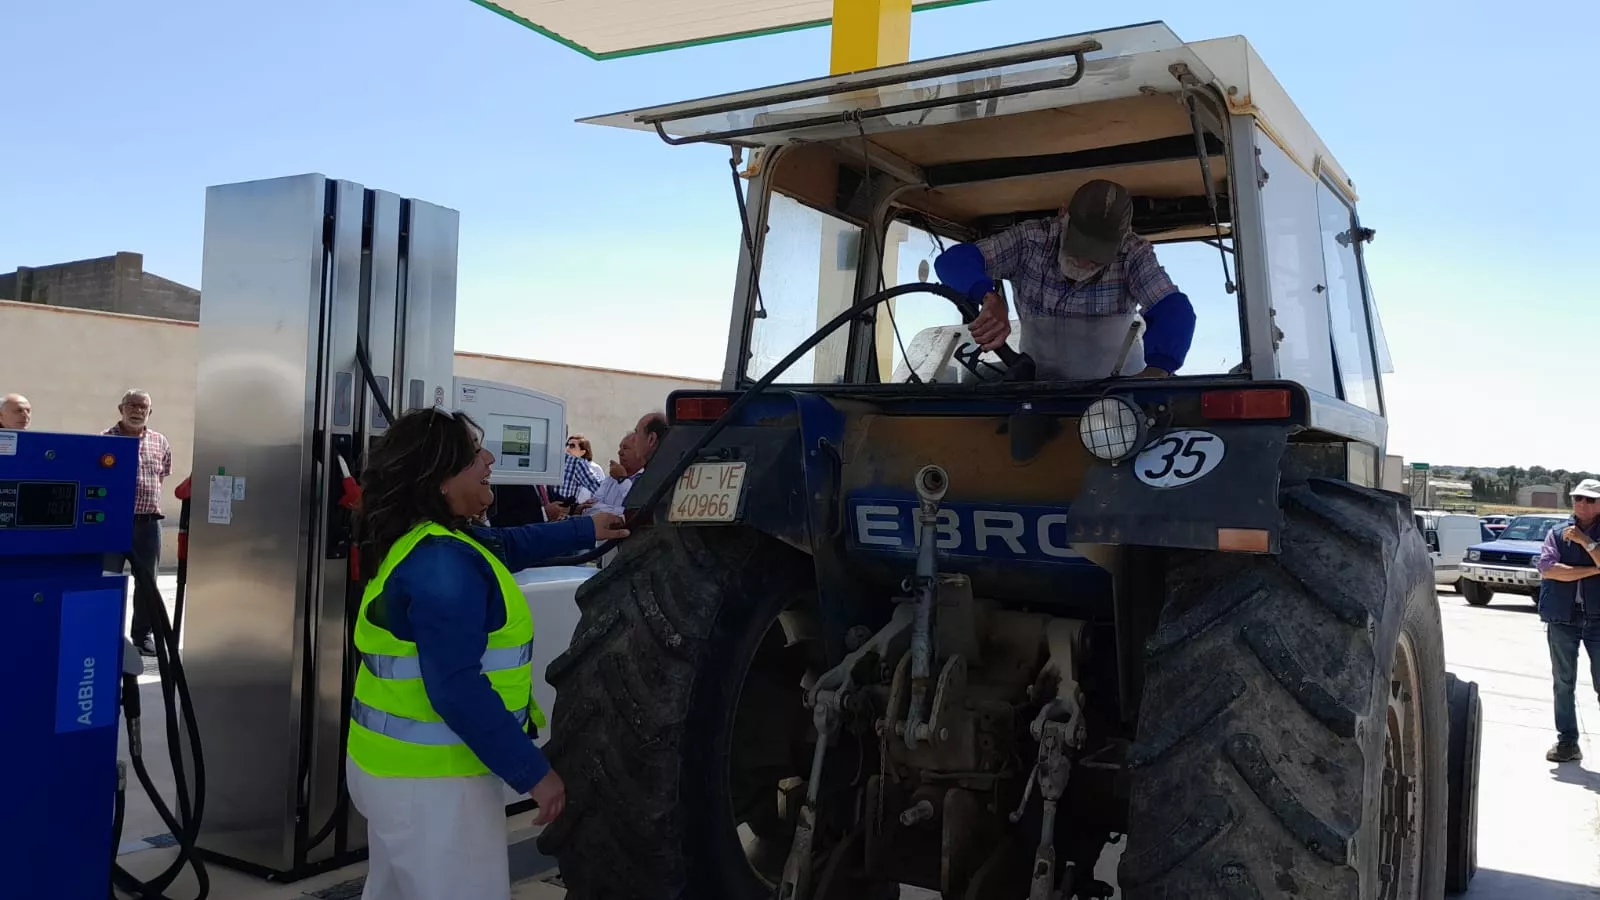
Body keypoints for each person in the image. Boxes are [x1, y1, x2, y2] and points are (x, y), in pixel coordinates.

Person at [346, 406, 628, 899]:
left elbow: (508, 543)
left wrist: (589, 528)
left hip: (393, 772)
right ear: (441, 480)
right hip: (436, 784)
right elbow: (456, 689)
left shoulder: (428, 541)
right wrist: (533, 773)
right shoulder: (442, 567)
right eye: (475, 454)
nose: (490, 459)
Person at [933, 179, 1197, 381]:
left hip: (1114, 392)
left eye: (1098, 254)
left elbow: (1173, 309)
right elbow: (953, 261)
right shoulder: (1030, 240)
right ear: (1063, 215)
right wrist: (989, 298)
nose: (1084, 261)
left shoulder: (1133, 253)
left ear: (1122, 239)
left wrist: (1157, 372)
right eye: (1079, 246)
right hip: (1037, 386)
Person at [103, 389, 173, 656]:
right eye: (132, 405)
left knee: (147, 584)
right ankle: (106, 633)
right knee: (107, 579)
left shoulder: (160, 441)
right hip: (112, 524)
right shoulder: (104, 440)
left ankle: (142, 636)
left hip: (148, 525)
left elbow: (161, 476)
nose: (137, 410)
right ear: (121, 408)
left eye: (143, 407)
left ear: (150, 412)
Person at [1537, 478, 1600, 763]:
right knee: (1563, 683)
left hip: (1598, 619)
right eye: (1578, 498)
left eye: (1590, 499)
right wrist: (1593, 570)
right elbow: (1549, 569)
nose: (1582, 504)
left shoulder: (1580, 535)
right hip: (1563, 618)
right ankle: (1567, 742)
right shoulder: (1556, 533)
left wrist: (1585, 541)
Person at [587, 413, 667, 518]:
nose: (619, 452)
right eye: (620, 448)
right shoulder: (612, 478)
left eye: (625, 448)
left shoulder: (655, 475)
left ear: (651, 439)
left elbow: (637, 510)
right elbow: (590, 507)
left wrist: (622, 480)